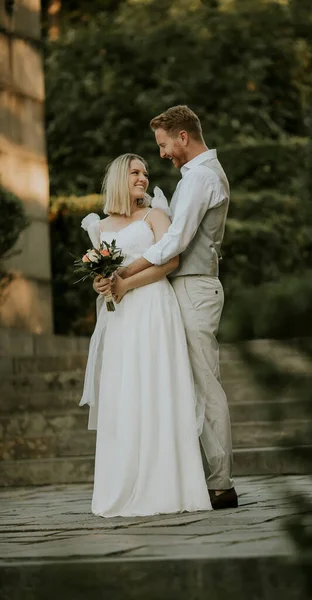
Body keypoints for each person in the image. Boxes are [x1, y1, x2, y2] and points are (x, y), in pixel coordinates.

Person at [98, 105, 237, 510]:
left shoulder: (202, 178)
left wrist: (126, 270)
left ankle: (219, 483)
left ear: (182, 137)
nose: (161, 155)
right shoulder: (194, 177)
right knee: (183, 384)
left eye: (163, 145)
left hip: (193, 288)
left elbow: (174, 241)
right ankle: (190, 474)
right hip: (182, 291)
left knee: (204, 385)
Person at [80, 153, 212, 517]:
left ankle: (167, 485)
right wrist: (103, 282)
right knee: (124, 393)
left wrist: (125, 284)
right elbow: (101, 282)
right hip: (121, 319)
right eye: (136, 172)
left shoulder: (155, 215)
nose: (142, 178)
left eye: (145, 173)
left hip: (154, 308)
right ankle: (121, 484)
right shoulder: (101, 226)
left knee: (157, 388)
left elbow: (170, 262)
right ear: (121, 177)